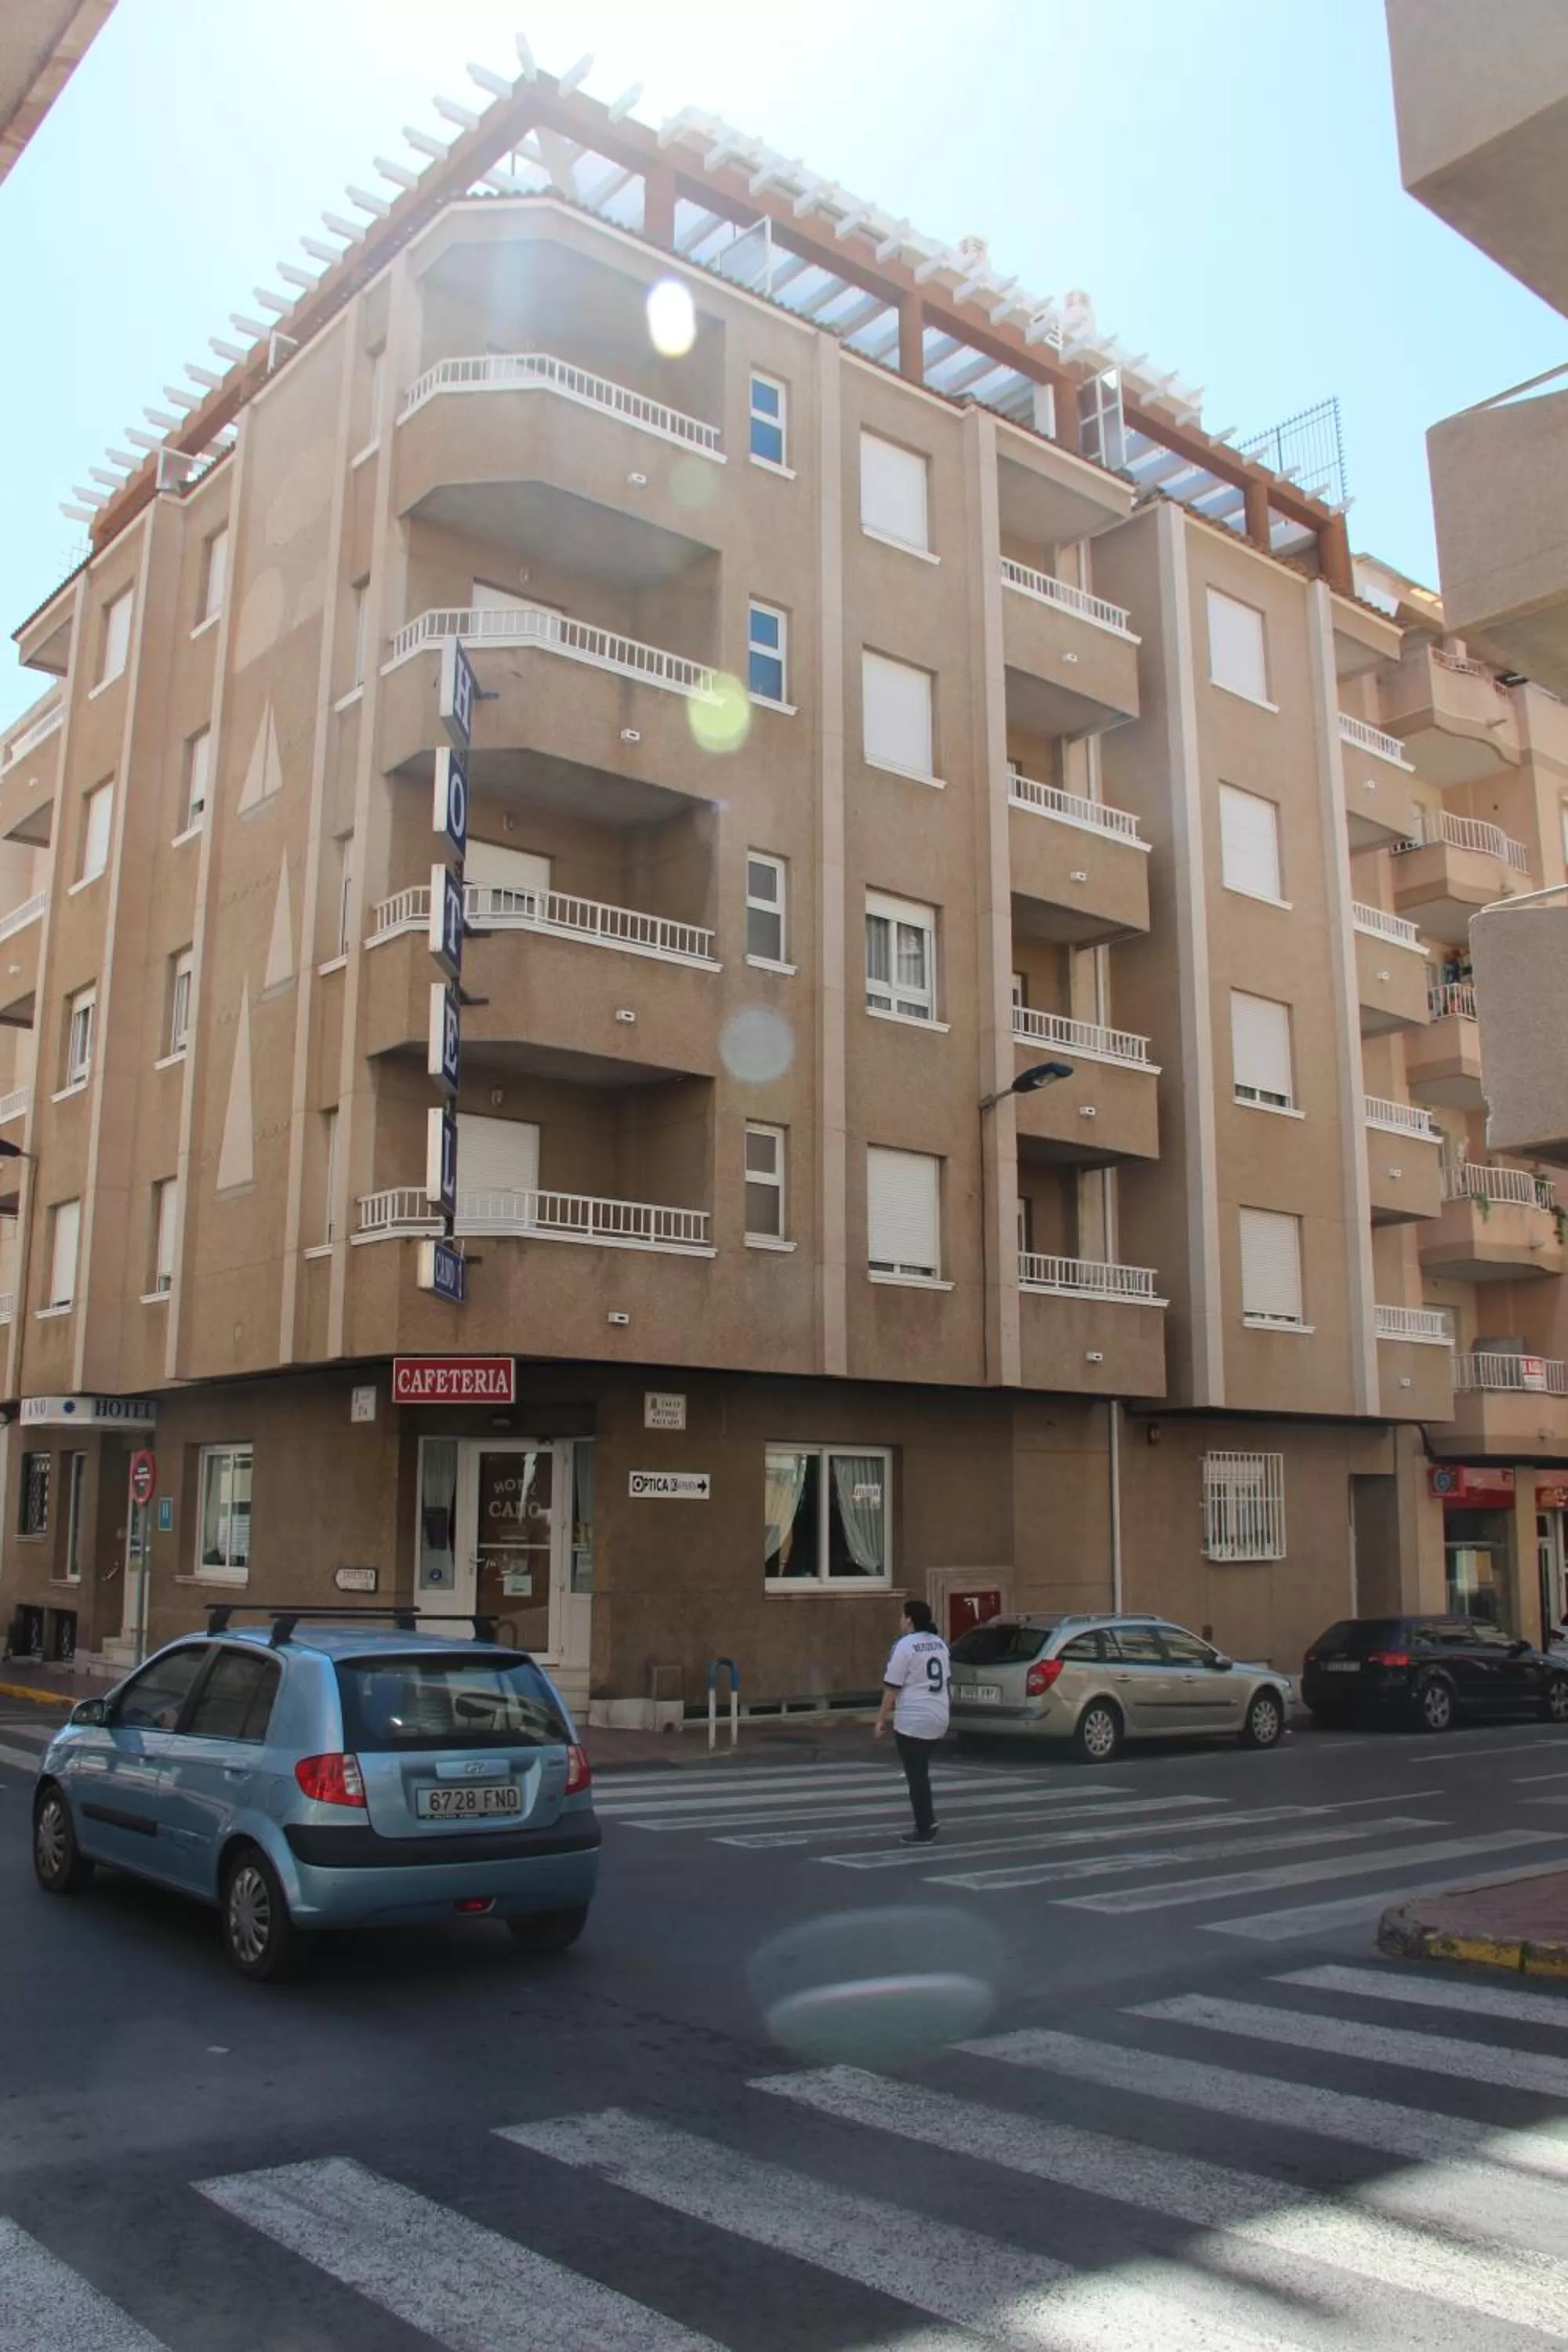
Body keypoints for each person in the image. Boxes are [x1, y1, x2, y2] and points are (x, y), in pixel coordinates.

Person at [874, 1599, 950, 1844]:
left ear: (909, 1620)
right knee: (921, 1770)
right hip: (939, 1715)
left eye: (902, 1616)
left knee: (916, 1774)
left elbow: (892, 1687)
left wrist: (880, 1719)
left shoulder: (905, 1645)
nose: (900, 1620)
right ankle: (927, 1821)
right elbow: (946, 1681)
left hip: (913, 1719)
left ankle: (925, 1826)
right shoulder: (939, 1643)